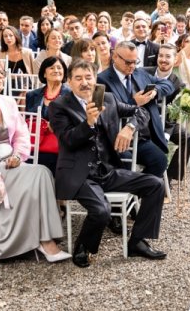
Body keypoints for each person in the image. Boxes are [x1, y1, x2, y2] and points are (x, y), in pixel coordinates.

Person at [48, 60, 167, 266]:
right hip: (80, 174)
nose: (84, 83)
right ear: (69, 81)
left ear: (95, 79)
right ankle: (83, 246)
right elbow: (68, 140)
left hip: (109, 170)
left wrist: (129, 127)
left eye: (88, 77)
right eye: (78, 78)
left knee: (156, 185)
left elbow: (142, 111)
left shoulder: (109, 99)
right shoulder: (59, 106)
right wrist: (89, 123)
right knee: (101, 211)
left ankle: (137, 242)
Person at [0, 57, 70, 271]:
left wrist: (19, 155)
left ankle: (47, 242)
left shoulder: (8, 102)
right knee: (38, 175)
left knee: (43, 173)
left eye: (2, 72)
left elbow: (21, 134)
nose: (0, 76)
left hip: (13, 162)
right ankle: (4, 248)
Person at [98, 40, 174, 178]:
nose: (132, 66)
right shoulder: (102, 80)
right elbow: (106, 112)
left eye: (135, 61)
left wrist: (155, 91)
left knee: (160, 161)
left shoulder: (140, 73)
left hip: (143, 137)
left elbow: (168, 84)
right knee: (123, 165)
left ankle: (139, 191)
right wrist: (134, 102)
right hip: (116, 138)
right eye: (128, 62)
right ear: (115, 56)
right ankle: (133, 188)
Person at [146, 43, 190, 180]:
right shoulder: (144, 72)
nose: (163, 59)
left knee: (189, 138)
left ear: (175, 60)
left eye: (168, 56)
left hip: (165, 122)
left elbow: (172, 113)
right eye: (161, 55)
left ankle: (170, 176)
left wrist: (166, 134)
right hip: (144, 121)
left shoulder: (178, 83)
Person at [24, 56, 71, 176]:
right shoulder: (32, 95)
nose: (56, 70)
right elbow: (27, 120)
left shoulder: (71, 95)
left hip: (61, 145)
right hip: (36, 143)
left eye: (59, 68)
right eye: (52, 67)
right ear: (44, 74)